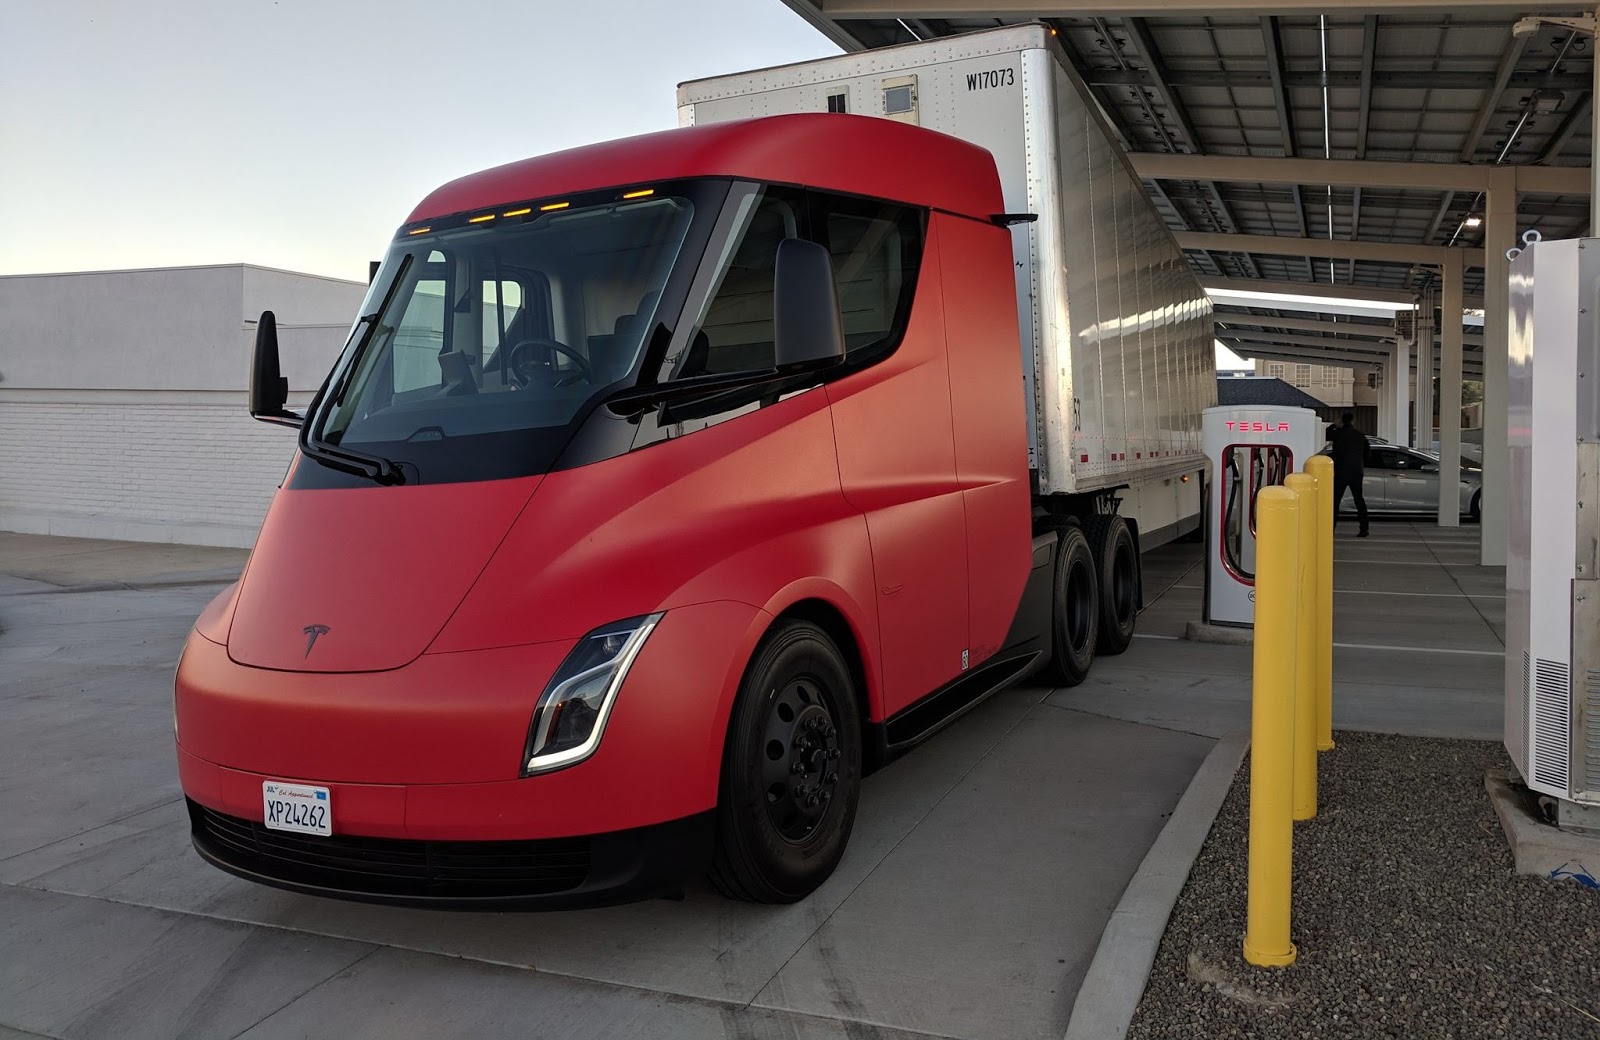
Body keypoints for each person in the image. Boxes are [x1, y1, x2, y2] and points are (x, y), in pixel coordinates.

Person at [1327, 412, 1369, 537]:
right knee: (1359, 500)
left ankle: (1331, 529)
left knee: (1335, 501)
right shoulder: (1360, 435)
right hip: (1356, 471)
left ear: (1342, 421)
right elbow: (1367, 453)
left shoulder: (1338, 434)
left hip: (1340, 471)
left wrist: (1334, 425)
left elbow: (1326, 434)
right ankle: (1364, 529)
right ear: (1353, 421)